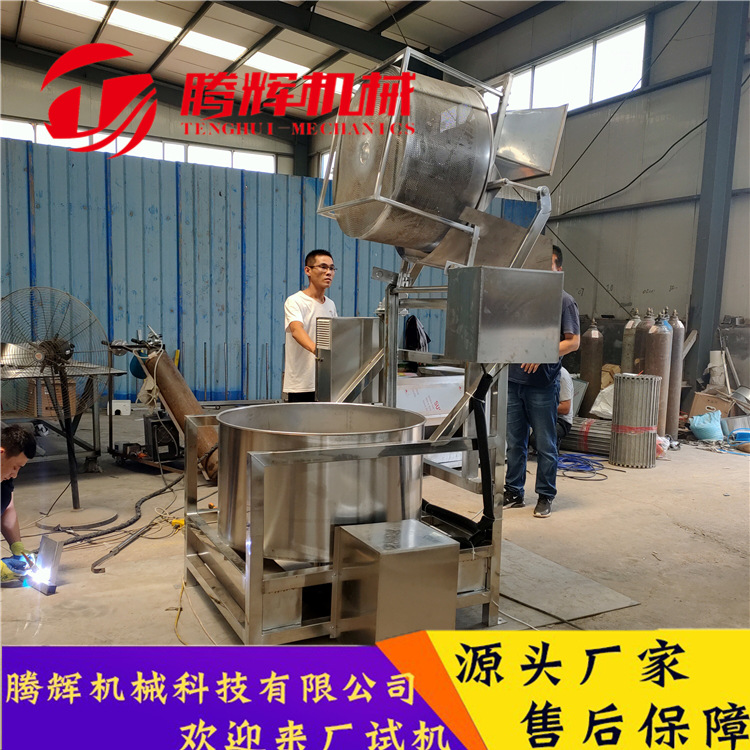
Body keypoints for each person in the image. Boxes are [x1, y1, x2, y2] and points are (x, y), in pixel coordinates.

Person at [503, 245, 580, 518]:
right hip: (514, 380)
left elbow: (573, 342)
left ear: (559, 269)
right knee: (515, 442)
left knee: (545, 443)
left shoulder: (564, 301)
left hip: (542, 385)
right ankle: (514, 491)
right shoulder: (522, 298)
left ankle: (546, 495)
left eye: (547, 266)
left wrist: (542, 351)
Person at [283, 249, 338, 402]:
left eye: (332, 268)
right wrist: (319, 353)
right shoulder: (295, 301)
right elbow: (296, 330)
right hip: (301, 384)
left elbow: (335, 336)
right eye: (323, 267)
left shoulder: (330, 305)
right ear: (308, 270)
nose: (328, 272)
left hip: (326, 382)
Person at [1, 424, 37, 582]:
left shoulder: (4, 480)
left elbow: (7, 508)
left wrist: (17, 547)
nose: (15, 474)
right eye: (15, 467)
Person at [529, 366, 574, 451]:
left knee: (539, 439)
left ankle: (552, 447)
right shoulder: (533, 372)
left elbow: (565, 408)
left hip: (559, 420)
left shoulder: (562, 374)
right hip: (536, 416)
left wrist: (541, 407)